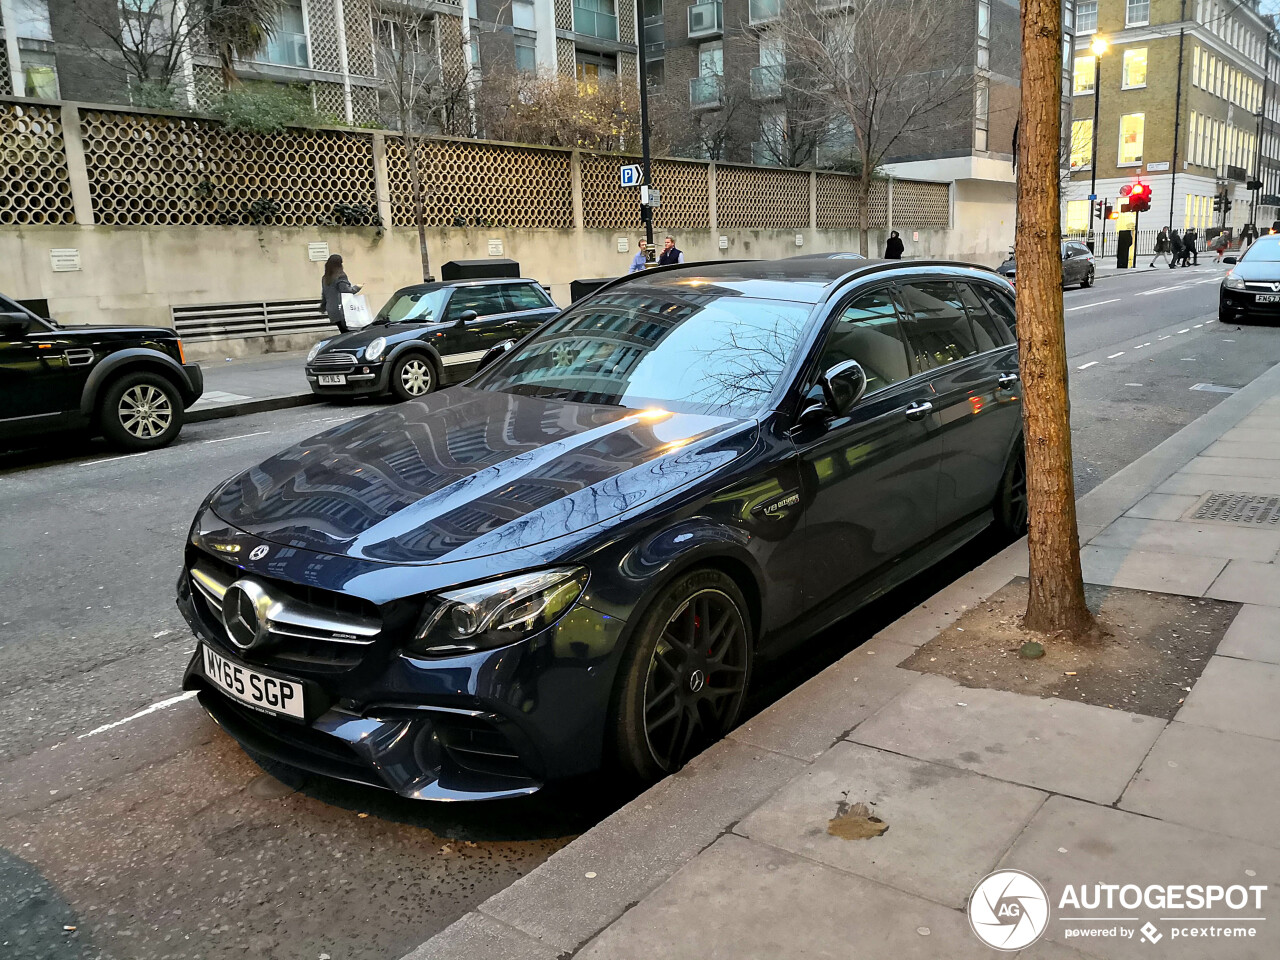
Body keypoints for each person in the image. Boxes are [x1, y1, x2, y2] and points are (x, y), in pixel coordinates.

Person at [319, 254, 361, 334]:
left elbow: (324, 294)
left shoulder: (325, 278)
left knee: (343, 332)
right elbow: (346, 290)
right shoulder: (340, 276)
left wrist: (323, 307)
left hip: (332, 310)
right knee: (350, 333)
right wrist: (357, 287)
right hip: (342, 310)